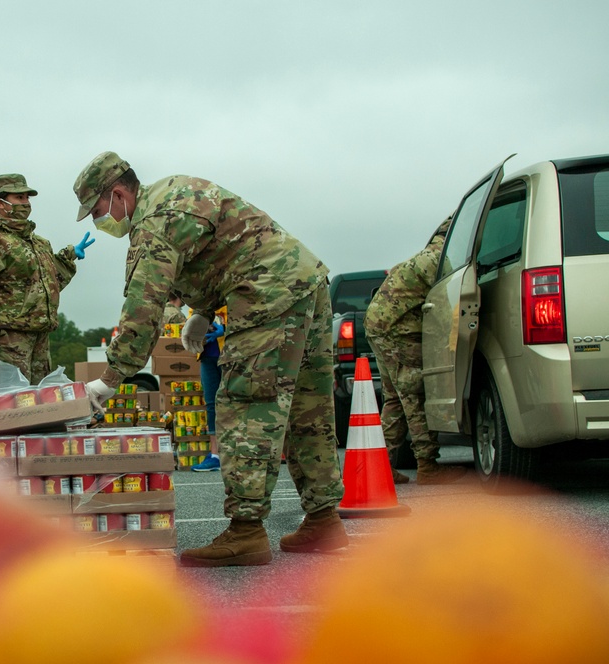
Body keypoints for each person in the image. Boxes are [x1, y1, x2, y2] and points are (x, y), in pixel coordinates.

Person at [74, 151, 347, 567]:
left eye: (97, 211)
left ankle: (246, 531)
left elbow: (142, 307)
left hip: (265, 296)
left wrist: (109, 379)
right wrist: (202, 312)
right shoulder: (176, 191)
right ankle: (324, 519)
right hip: (304, 281)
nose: (100, 221)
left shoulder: (152, 223)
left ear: (117, 194)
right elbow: (224, 250)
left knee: (246, 405)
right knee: (309, 408)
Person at [0, 174, 95, 384]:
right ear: (0, 203)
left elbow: (44, 286)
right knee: (11, 403)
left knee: (39, 404)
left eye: (27, 198)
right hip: (6, 339)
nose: (26, 203)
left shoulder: (38, 242)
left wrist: (67, 258)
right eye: (19, 198)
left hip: (39, 339)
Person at [365, 217, 467, 485]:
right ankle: (427, 466)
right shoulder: (439, 261)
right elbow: (446, 307)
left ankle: (381, 468)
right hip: (397, 330)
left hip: (380, 327)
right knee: (413, 393)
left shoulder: (422, 257)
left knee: (395, 400)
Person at [191, 307, 226, 472]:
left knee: (233, 402)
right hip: (207, 356)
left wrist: (225, 330)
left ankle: (235, 453)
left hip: (230, 355)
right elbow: (192, 319)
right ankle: (215, 455)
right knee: (211, 404)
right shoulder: (198, 299)